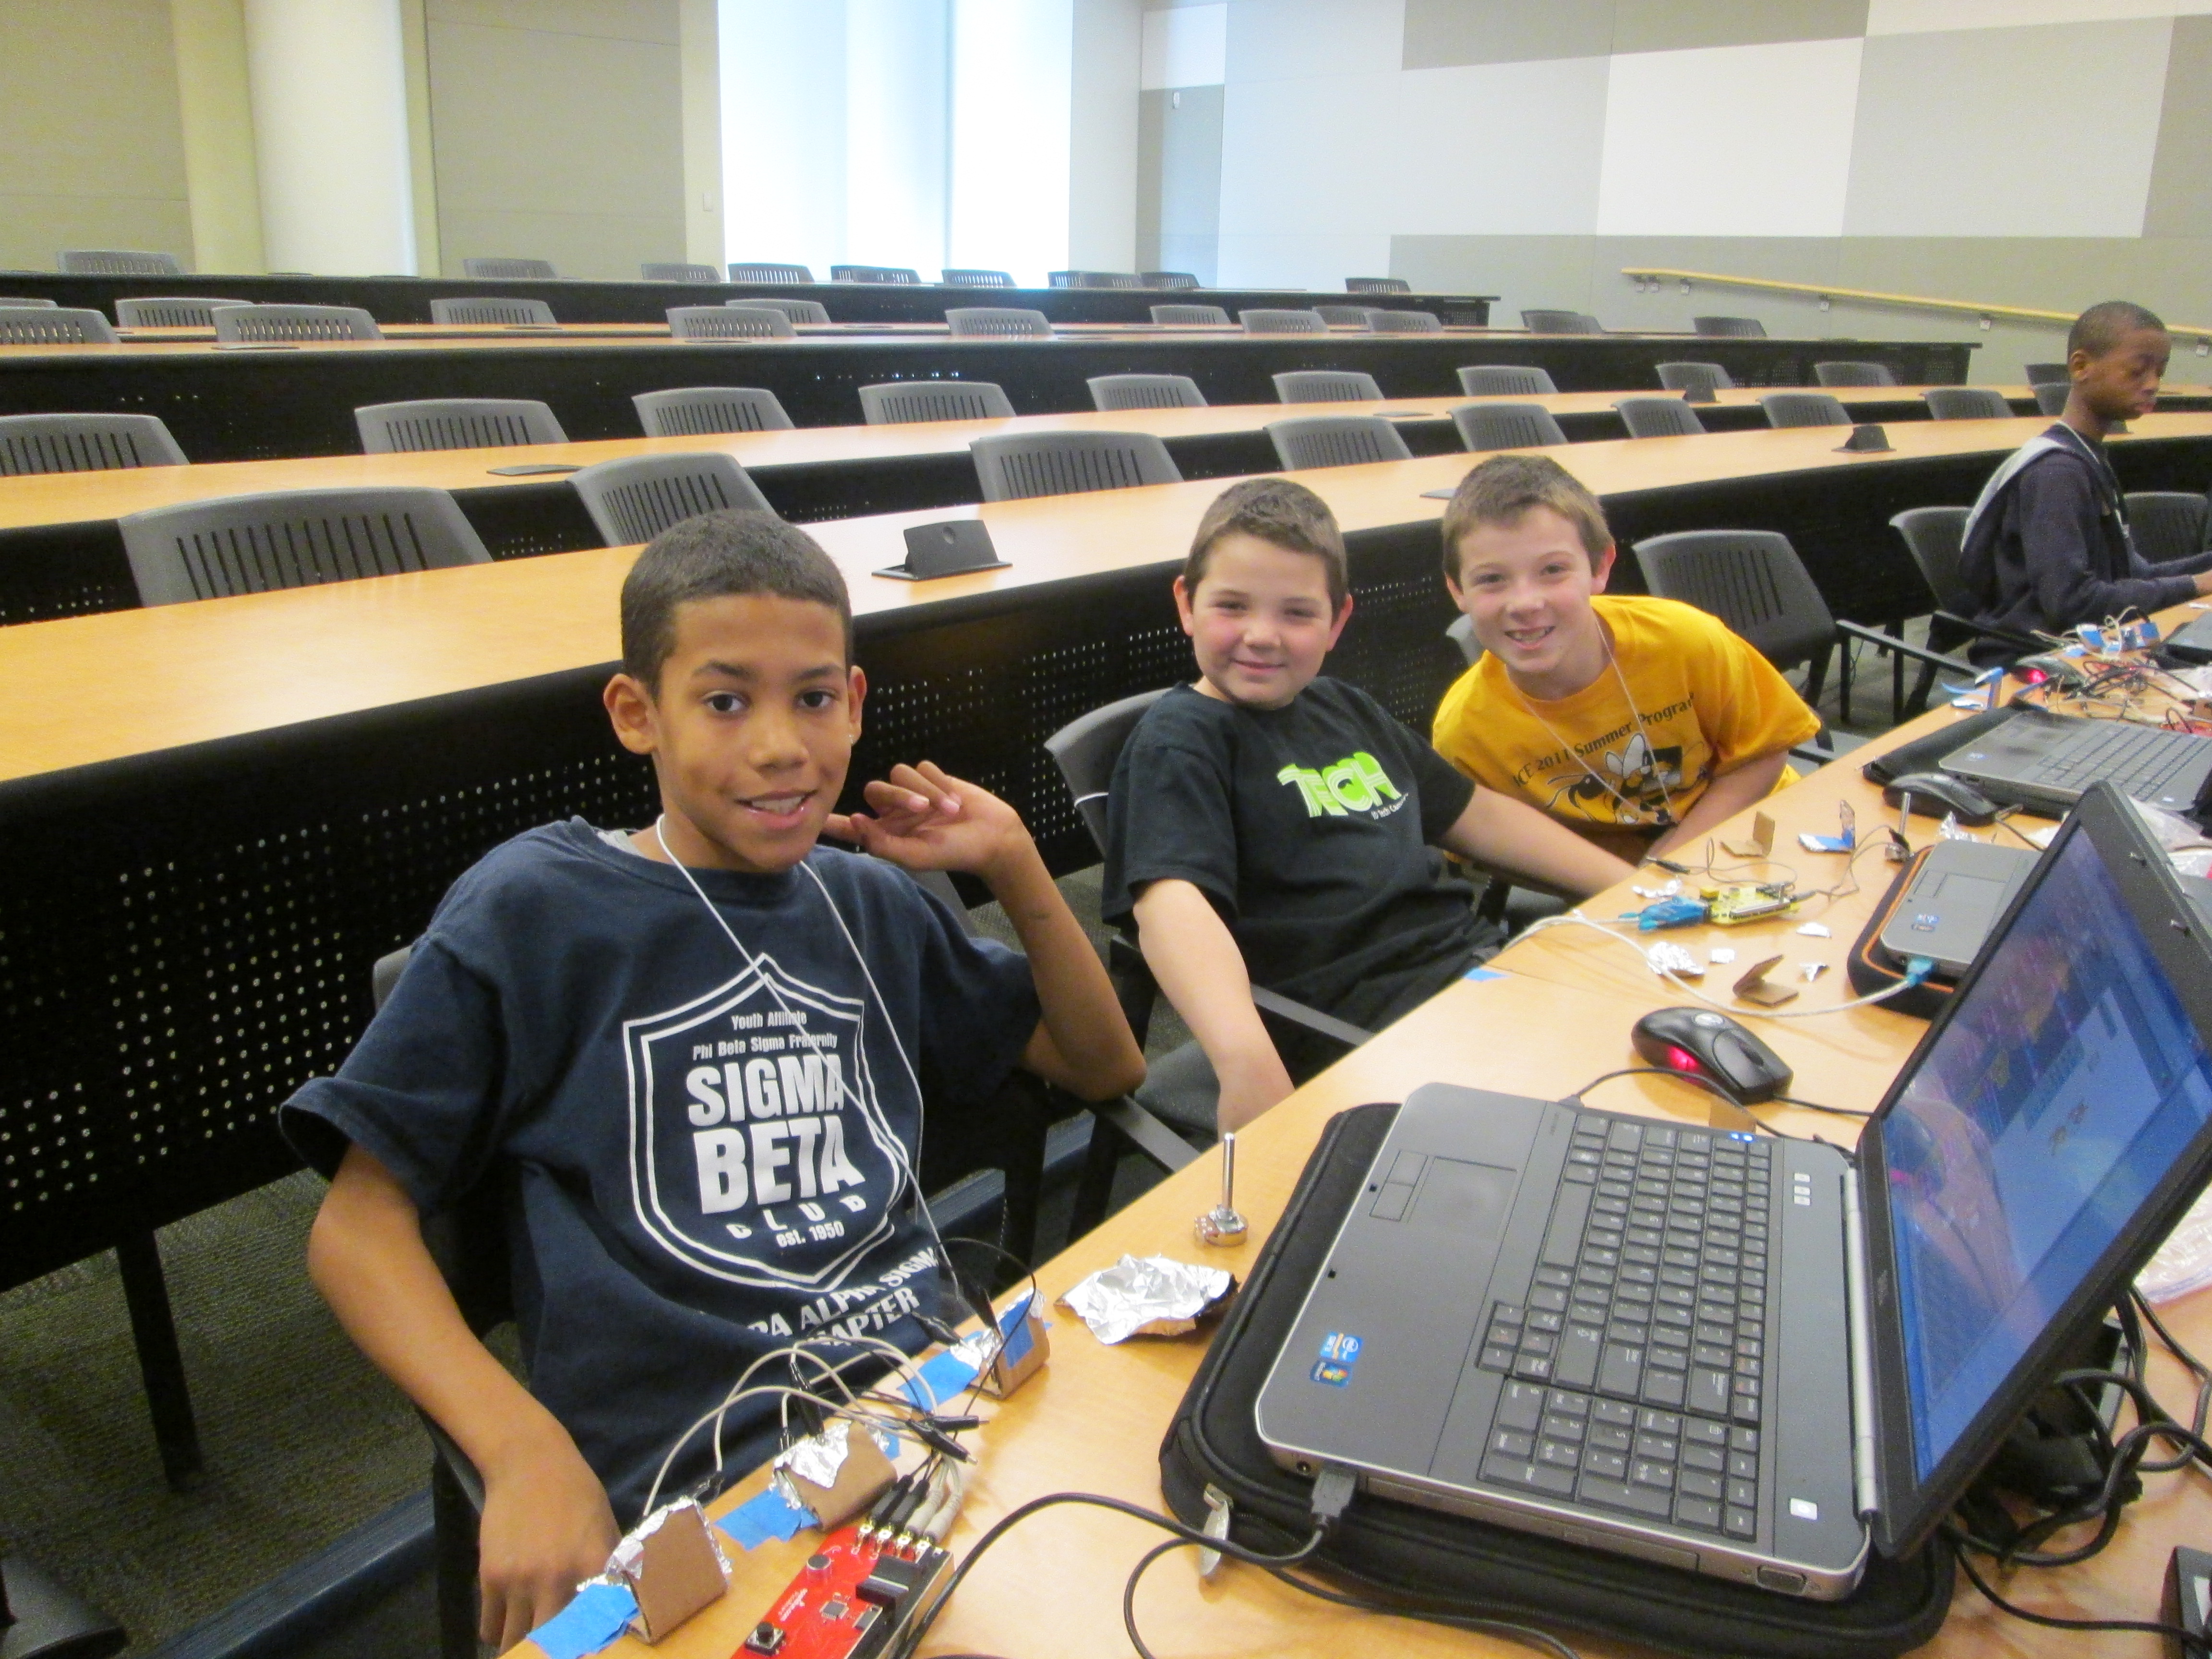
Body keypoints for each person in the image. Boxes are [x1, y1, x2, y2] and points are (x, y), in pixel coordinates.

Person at [285, 512, 1143, 1650]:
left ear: (855, 699)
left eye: (814, 697)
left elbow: (1103, 1063)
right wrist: (521, 1447)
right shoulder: (536, 909)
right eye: (726, 701)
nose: (782, 746)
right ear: (636, 712)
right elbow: (355, 1228)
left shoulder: (867, 899)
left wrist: (1016, 865)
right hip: (703, 1479)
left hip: (939, 1408)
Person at [1101, 477, 1634, 1135]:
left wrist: (1633, 888)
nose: (1262, 636)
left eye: (1297, 614)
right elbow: (1170, 905)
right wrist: (1243, 1059)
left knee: (1657, 1049)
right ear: (1187, 603)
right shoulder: (1180, 743)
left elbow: (1477, 815)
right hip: (1359, 1033)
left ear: (1338, 621)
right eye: (1232, 606)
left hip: (1474, 981)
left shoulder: (1342, 707)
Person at [1431, 454, 1821, 864]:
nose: (1525, 603)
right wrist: (1628, 883)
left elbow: (1764, 752)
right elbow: (1491, 846)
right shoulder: (1465, 733)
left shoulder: (1684, 640)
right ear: (1457, 590)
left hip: (1756, 828)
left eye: (1553, 570)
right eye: (1492, 579)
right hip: (1619, 881)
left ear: (1600, 567)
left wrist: (1667, 865)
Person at [1960, 299, 2212, 657]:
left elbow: (2131, 573)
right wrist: (2197, 585)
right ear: (2081, 367)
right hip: (2037, 656)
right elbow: (2071, 603)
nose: (2153, 384)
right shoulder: (2056, 473)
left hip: (2091, 641)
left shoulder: (2087, 456)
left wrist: (2201, 574)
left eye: (2160, 372)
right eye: (2138, 372)